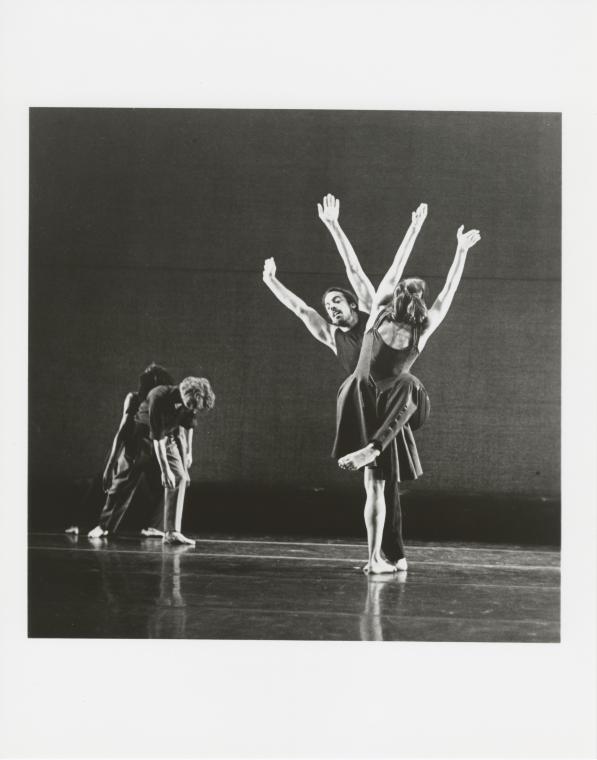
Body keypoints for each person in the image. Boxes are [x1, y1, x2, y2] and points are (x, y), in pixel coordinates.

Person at [263, 194, 427, 567]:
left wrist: (334, 226)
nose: (330, 308)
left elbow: (357, 271)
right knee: (382, 482)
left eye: (336, 302)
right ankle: (391, 554)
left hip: (392, 399)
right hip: (364, 404)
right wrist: (271, 281)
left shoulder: (373, 316)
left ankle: (392, 552)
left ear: (354, 304)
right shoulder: (330, 336)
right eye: (328, 306)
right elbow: (299, 308)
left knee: (388, 481)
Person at [334, 223, 482, 574]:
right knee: (411, 383)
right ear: (420, 301)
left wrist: (413, 227)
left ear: (396, 295)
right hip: (396, 406)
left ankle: (375, 560)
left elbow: (367, 270)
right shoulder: (424, 326)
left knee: (375, 486)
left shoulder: (378, 309)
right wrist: (460, 251)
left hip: (359, 398)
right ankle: (374, 448)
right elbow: (448, 290)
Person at [66, 364, 174, 537]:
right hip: (135, 446)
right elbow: (123, 431)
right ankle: (98, 525)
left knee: (167, 483)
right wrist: (110, 464)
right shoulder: (134, 398)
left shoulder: (165, 400)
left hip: (156, 448)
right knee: (115, 487)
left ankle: (155, 526)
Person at [147, 376, 216, 546]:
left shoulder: (190, 403)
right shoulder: (159, 397)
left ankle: (170, 531)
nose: (193, 409)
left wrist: (189, 452)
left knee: (182, 477)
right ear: (185, 395)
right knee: (175, 477)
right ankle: (170, 532)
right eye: (191, 406)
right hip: (147, 432)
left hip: (171, 431)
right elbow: (157, 438)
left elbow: (188, 426)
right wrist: (165, 470)